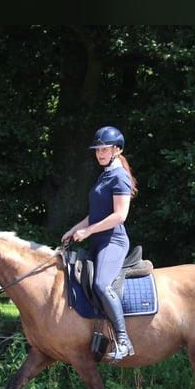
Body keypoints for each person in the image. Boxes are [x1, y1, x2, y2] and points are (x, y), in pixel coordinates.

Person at [62, 125, 138, 362]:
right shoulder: (104, 175)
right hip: (97, 240)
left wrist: (87, 231)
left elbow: (119, 216)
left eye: (104, 149)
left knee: (102, 284)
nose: (99, 154)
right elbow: (94, 214)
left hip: (113, 241)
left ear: (117, 150)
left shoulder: (120, 177)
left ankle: (124, 340)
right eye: (97, 150)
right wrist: (74, 230)